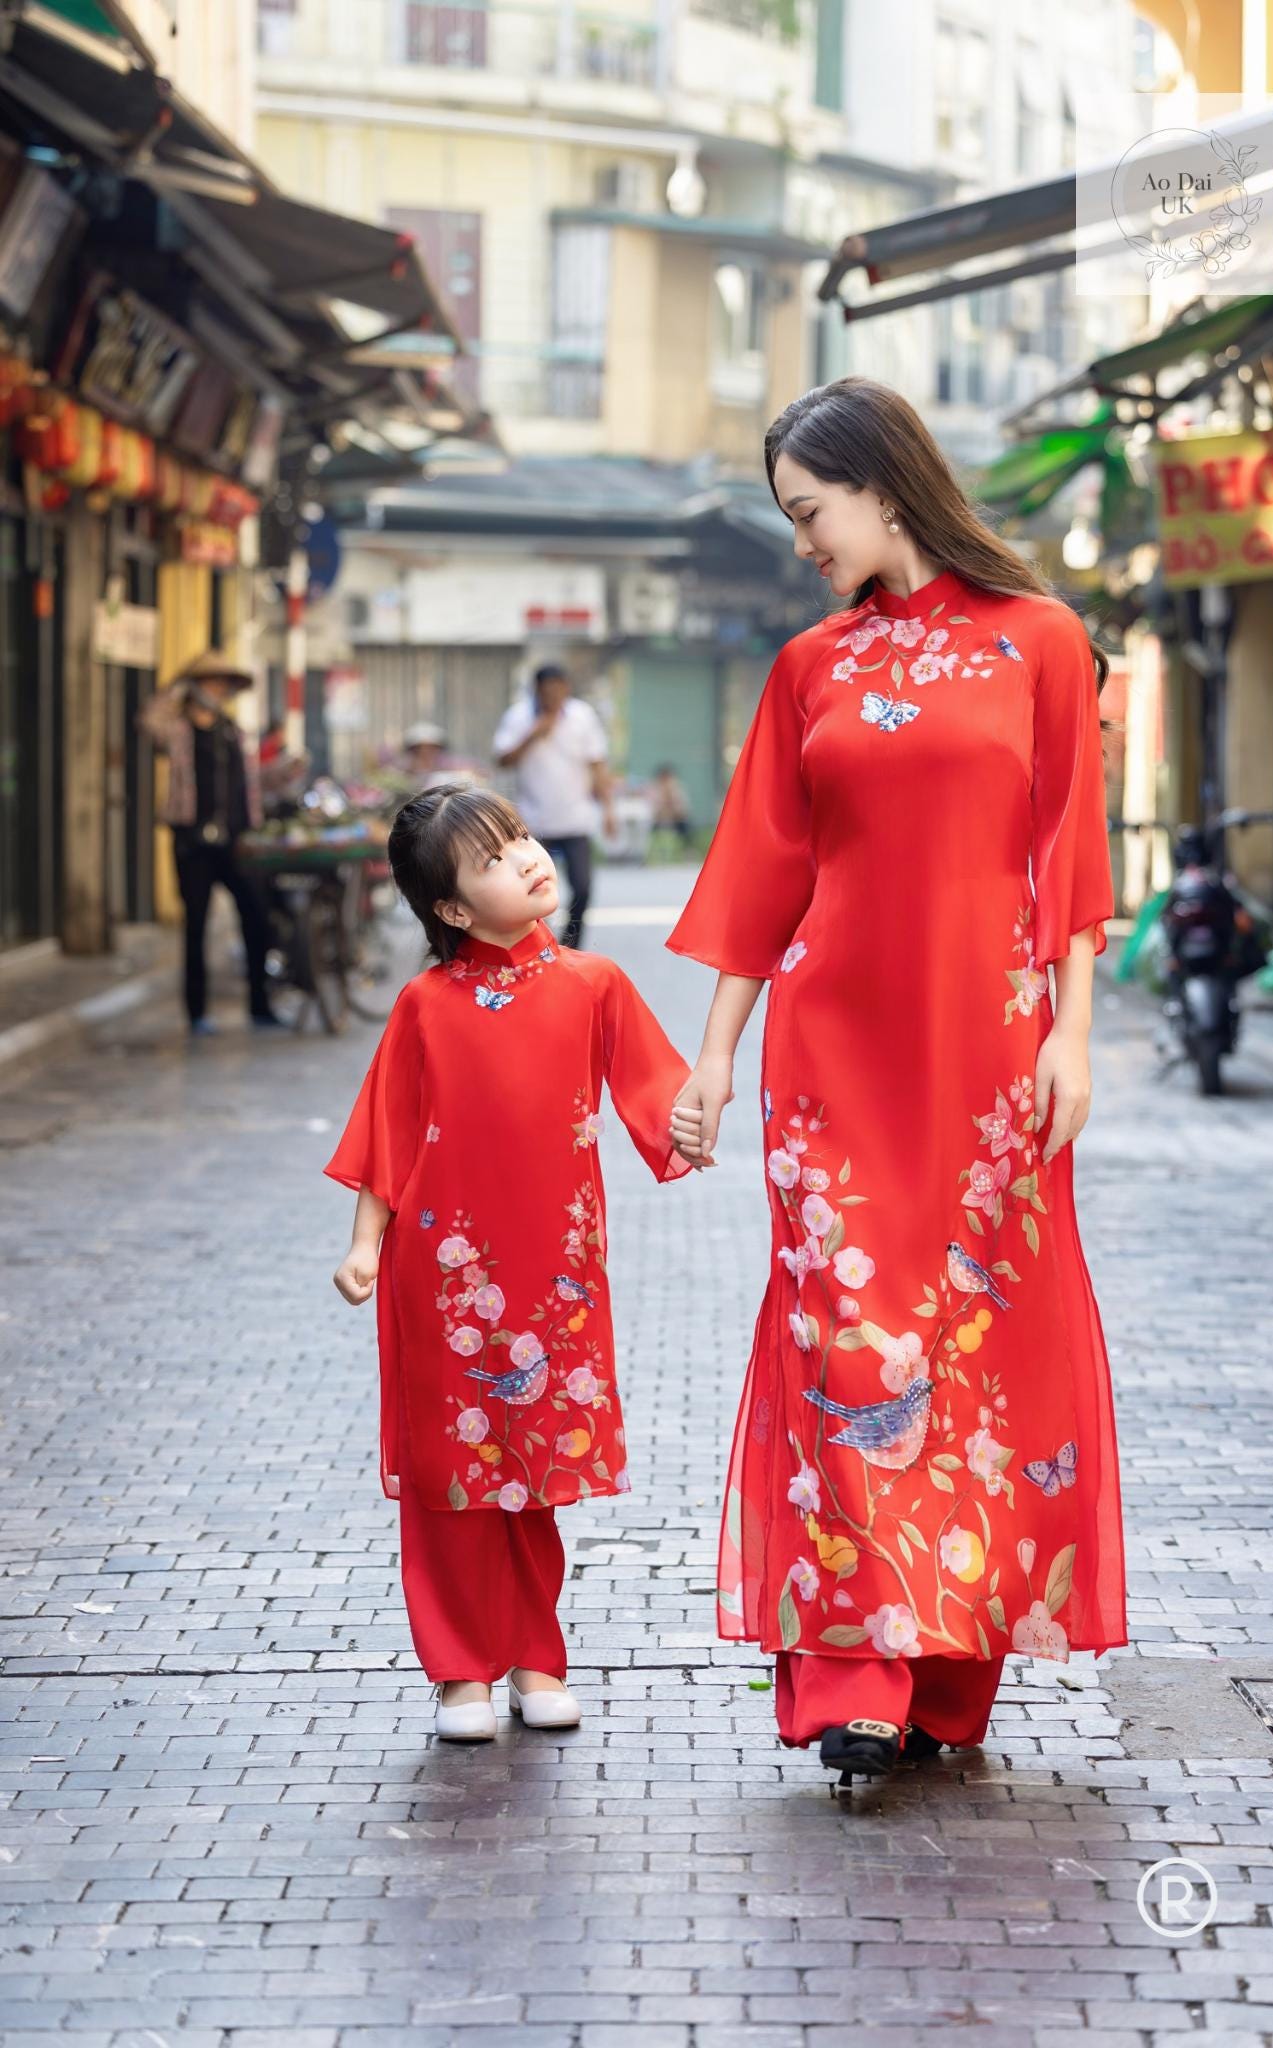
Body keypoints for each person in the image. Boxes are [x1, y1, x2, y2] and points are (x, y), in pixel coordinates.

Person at [664, 376, 1127, 1788]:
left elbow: (1068, 858)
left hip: (990, 1054)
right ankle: (856, 1669)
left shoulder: (1041, 642)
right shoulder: (808, 667)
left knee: (975, 1343)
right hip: (831, 1060)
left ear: (881, 485)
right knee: (845, 1345)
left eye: (810, 511)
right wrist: (716, 1051)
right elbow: (761, 870)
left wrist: (1071, 1033)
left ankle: (946, 1673)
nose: (801, 539)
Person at [325, 785, 692, 1743]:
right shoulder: (422, 1006)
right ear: (451, 909)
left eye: (522, 838)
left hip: (555, 1274)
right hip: (441, 1273)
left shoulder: (594, 983)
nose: (529, 859)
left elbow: (663, 1097)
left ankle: (536, 1658)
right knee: (453, 1472)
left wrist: (709, 1119)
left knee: (533, 1465)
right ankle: (460, 1676)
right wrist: (366, 1243)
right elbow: (387, 1136)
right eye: (494, 858)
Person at [139, 650, 282, 1037]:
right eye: (211, 683)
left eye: (224, 684)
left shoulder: (231, 730)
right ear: (196, 688)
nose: (218, 691)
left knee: (256, 915)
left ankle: (260, 1006)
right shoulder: (178, 731)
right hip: (192, 843)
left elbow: (248, 784)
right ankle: (197, 1012)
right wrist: (180, 685)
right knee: (196, 925)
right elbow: (149, 719)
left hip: (234, 842)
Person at [493, 664, 616, 950]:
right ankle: (537, 945)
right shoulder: (519, 717)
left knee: (582, 888)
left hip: (576, 818)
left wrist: (609, 808)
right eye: (548, 692)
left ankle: (570, 946)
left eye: (560, 691)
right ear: (536, 691)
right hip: (533, 822)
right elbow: (502, 759)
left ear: (567, 689)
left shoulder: (582, 716)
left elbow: (597, 763)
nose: (554, 698)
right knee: (532, 888)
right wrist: (533, 735)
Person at [649, 763, 694, 852]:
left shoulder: (678, 789)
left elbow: (683, 811)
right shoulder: (654, 789)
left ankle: (687, 850)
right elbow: (653, 811)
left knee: (686, 827)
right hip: (658, 821)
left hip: (676, 820)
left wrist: (672, 800)